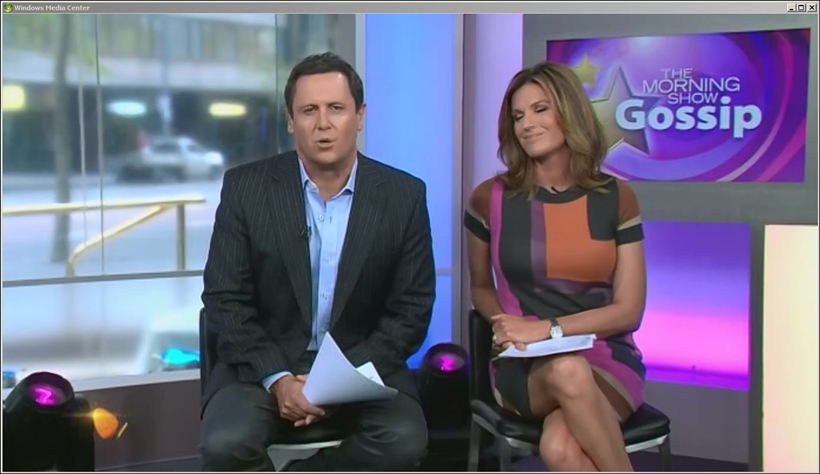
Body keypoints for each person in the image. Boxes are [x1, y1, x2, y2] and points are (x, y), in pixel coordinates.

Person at [199, 52, 435, 472]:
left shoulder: (404, 196)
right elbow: (224, 299)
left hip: (363, 362)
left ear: (359, 117)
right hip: (263, 362)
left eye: (336, 108)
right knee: (226, 443)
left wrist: (337, 383)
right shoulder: (245, 188)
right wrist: (279, 379)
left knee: (404, 442)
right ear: (291, 121)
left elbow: (411, 310)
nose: (323, 123)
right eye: (309, 110)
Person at [464, 61, 647, 472]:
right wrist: (506, 325)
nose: (526, 124)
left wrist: (550, 328)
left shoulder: (617, 198)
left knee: (560, 448)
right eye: (518, 116)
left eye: (540, 109)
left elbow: (629, 311)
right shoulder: (489, 199)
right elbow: (480, 286)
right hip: (524, 362)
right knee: (567, 370)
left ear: (569, 111)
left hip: (607, 356)